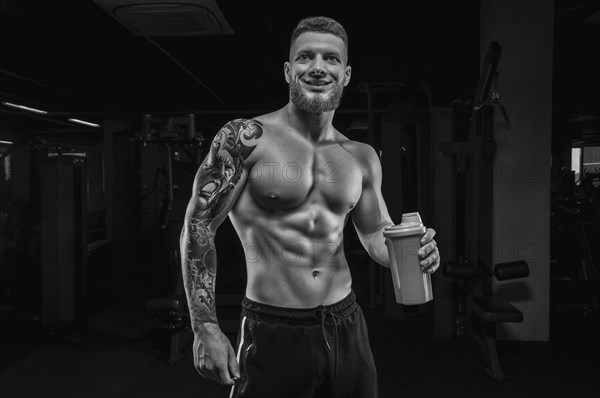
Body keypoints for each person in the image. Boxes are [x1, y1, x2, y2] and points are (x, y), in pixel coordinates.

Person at [180, 16, 440, 398]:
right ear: (288, 71)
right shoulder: (246, 139)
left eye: (331, 59)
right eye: (306, 57)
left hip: (346, 323)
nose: (318, 67)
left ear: (346, 74)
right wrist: (204, 326)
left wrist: (413, 250)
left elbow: (374, 234)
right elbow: (198, 225)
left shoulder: (361, 157)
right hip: (273, 327)